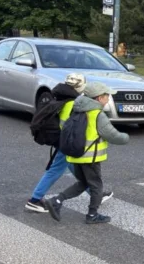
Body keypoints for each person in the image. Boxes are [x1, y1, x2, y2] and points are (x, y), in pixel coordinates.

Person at [44, 82, 130, 224]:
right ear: (98, 98)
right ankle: (92, 215)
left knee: (83, 183)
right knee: (96, 185)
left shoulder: (76, 108)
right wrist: (125, 137)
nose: (108, 99)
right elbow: (112, 135)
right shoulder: (97, 114)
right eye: (106, 96)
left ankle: (56, 200)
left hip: (75, 154)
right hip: (90, 157)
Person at [25, 74, 113, 213]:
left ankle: (95, 193)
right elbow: (69, 125)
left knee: (75, 167)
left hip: (62, 141)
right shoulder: (72, 102)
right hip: (66, 143)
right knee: (55, 171)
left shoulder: (62, 96)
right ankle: (34, 200)